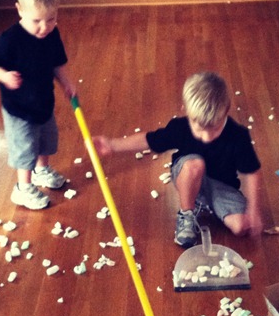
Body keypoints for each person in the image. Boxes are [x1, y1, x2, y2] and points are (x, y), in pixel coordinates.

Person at [92, 71, 262, 248]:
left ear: (226, 111)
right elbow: (148, 140)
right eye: (200, 129)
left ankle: (206, 202)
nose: (207, 137)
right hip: (187, 172)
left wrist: (254, 210)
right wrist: (113, 145)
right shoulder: (180, 127)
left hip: (221, 186)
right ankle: (187, 213)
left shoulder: (238, 136)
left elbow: (252, 172)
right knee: (195, 165)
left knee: (241, 227)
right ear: (186, 111)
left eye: (215, 128)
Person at [0, 0, 77, 210]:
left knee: (46, 140)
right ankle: (23, 189)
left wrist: (66, 82)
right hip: (19, 109)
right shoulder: (10, 39)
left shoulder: (51, 34)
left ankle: (41, 171)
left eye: (51, 18)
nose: (44, 27)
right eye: (37, 21)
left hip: (43, 102)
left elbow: (57, 63)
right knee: (25, 148)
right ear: (20, 10)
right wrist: (4, 76)